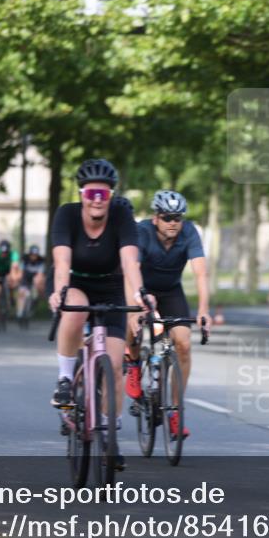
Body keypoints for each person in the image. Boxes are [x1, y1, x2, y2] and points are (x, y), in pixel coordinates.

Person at [48, 158, 154, 468]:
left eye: (103, 195)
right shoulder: (66, 215)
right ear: (81, 194)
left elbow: (130, 263)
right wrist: (60, 291)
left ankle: (109, 434)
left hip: (110, 288)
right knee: (76, 308)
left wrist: (140, 294)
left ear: (111, 196)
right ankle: (66, 378)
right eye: (91, 194)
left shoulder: (122, 216)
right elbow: (62, 262)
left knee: (116, 365)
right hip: (75, 283)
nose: (97, 201)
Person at [124, 190, 211, 441]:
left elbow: (201, 273)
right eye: (167, 217)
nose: (173, 222)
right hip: (142, 288)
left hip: (172, 291)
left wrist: (204, 310)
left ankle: (174, 412)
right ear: (156, 218)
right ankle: (132, 363)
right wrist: (135, 307)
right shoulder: (142, 232)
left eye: (177, 217)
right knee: (133, 321)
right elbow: (132, 270)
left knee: (183, 344)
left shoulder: (189, 232)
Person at [17, 244, 46, 318]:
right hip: (25, 279)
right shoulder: (24, 259)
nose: (34, 257)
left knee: (35, 293)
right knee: (22, 293)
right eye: (32, 255)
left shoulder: (41, 261)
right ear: (29, 254)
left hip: (35, 280)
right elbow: (20, 272)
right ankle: (20, 312)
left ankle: (33, 304)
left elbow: (40, 274)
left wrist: (37, 282)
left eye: (35, 255)